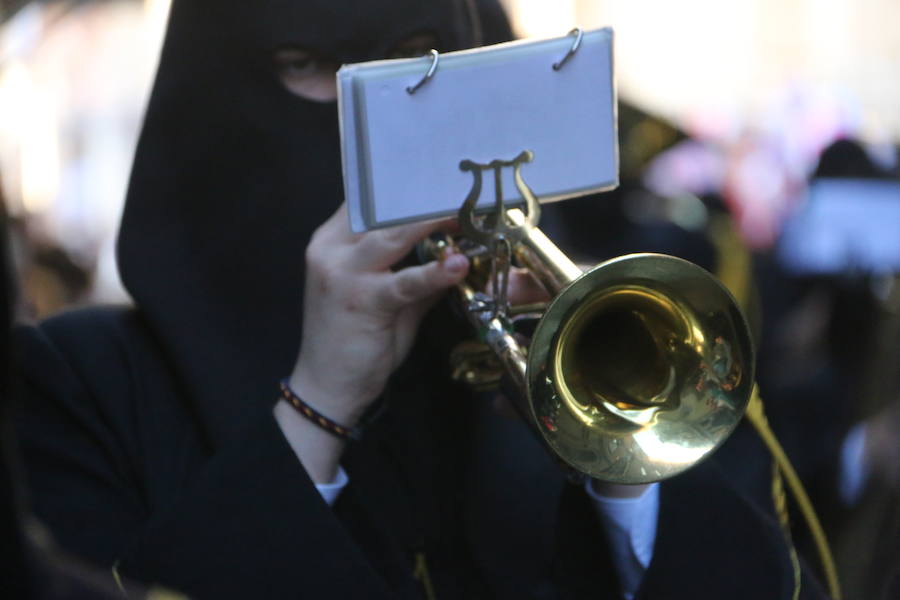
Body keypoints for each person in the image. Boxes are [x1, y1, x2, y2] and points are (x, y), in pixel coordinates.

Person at [12, 1, 829, 598]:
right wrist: (316, 406)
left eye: (416, 56)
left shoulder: (608, 343)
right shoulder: (80, 381)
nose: (367, 112)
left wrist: (618, 455)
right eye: (306, 67)